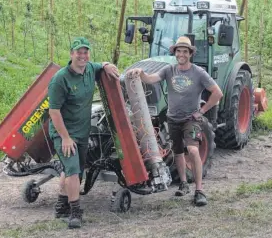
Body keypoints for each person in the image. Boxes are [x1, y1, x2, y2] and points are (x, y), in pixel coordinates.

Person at [125, 36, 223, 206]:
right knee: (177, 152)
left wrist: (202, 111)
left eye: (185, 51)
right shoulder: (169, 70)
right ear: (175, 53)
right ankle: (184, 184)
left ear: (190, 53)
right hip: (172, 119)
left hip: (191, 118)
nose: (181, 54)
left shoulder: (198, 73)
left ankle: (199, 191)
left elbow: (217, 93)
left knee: (192, 150)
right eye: (179, 51)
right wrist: (141, 73)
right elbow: (151, 79)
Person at [48, 36, 119, 229]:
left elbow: (100, 65)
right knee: (73, 171)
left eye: (85, 52)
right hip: (64, 134)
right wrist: (65, 137)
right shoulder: (60, 79)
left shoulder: (90, 69)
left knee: (73, 172)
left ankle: (60, 207)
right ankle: (75, 212)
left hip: (82, 132)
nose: (82, 55)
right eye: (78, 52)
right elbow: (53, 111)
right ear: (71, 54)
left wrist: (106, 65)